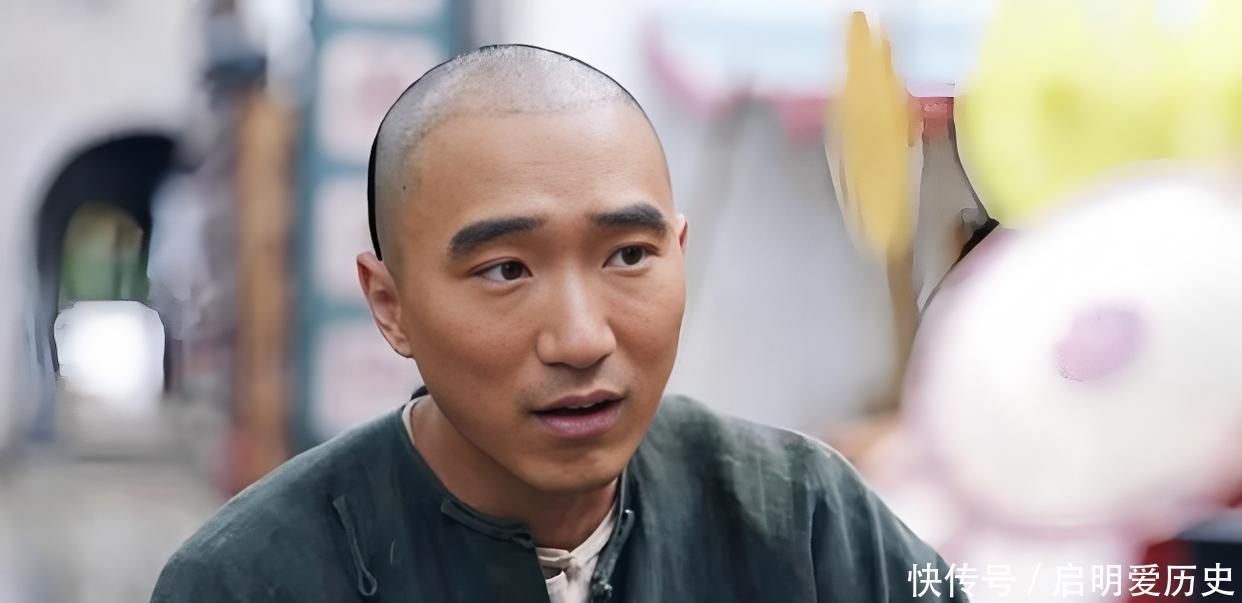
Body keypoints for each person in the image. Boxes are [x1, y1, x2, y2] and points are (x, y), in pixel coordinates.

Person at [152, 44, 963, 603]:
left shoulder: (802, 521)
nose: (581, 339)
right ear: (390, 305)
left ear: (679, 251)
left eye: (629, 255)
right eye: (506, 270)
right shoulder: (254, 577)